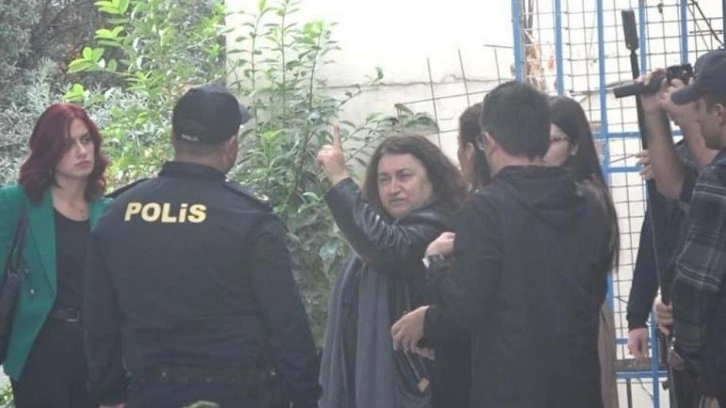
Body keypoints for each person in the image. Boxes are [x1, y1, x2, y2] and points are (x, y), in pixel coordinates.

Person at [84, 83, 321, 408]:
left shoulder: (118, 214)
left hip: (149, 393)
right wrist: (305, 395)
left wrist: (109, 394)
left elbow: (99, 321)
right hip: (237, 395)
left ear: (172, 136)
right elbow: (286, 322)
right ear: (231, 146)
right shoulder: (249, 218)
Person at [391, 80, 613, 407]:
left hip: (510, 390)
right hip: (578, 387)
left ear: (489, 142)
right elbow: (594, 290)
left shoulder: (486, 209)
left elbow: (462, 307)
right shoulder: (589, 205)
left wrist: (434, 262)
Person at [316, 129, 467, 408]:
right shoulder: (386, 227)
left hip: (417, 389)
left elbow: (388, 247)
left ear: (433, 178)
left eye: (404, 176)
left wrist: (340, 178)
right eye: (384, 179)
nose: (393, 188)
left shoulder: (437, 226)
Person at [0, 102, 110, 407]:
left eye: (86, 140)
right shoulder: (15, 203)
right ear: (47, 150)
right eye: (68, 144)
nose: (81, 151)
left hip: (95, 349)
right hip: (39, 346)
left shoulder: (108, 211)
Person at [545, 95, 620, 408]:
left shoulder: (582, 197)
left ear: (575, 145)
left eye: (553, 140)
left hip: (581, 322)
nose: (542, 149)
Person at [663, 50, 726, 407]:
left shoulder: (718, 179)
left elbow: (696, 283)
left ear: (719, 113)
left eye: (699, 108)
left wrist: (685, 350)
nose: (695, 118)